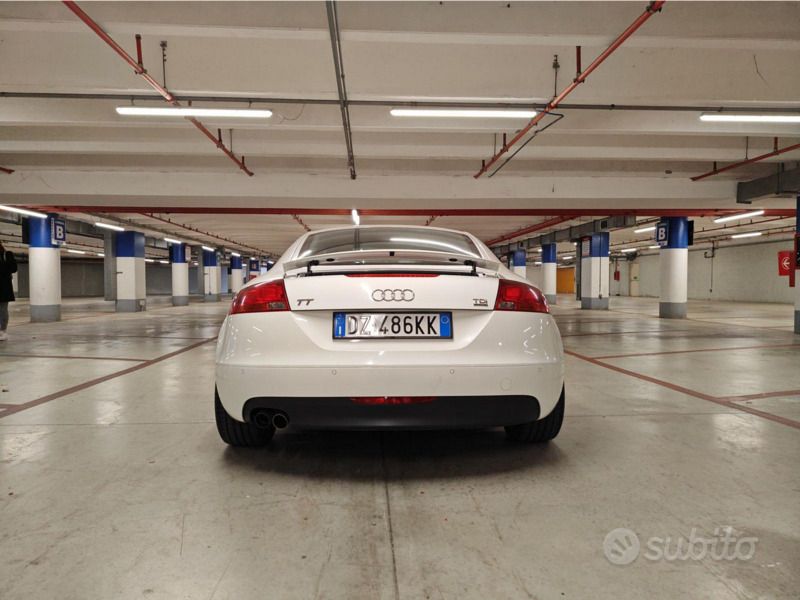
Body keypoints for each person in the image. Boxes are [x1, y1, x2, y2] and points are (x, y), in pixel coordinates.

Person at [0, 242, 18, 341]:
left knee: (2, 310)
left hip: (3, 287)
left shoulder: (7, 255)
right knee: (3, 309)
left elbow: (14, 269)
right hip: (4, 287)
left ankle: (3, 331)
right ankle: (2, 331)